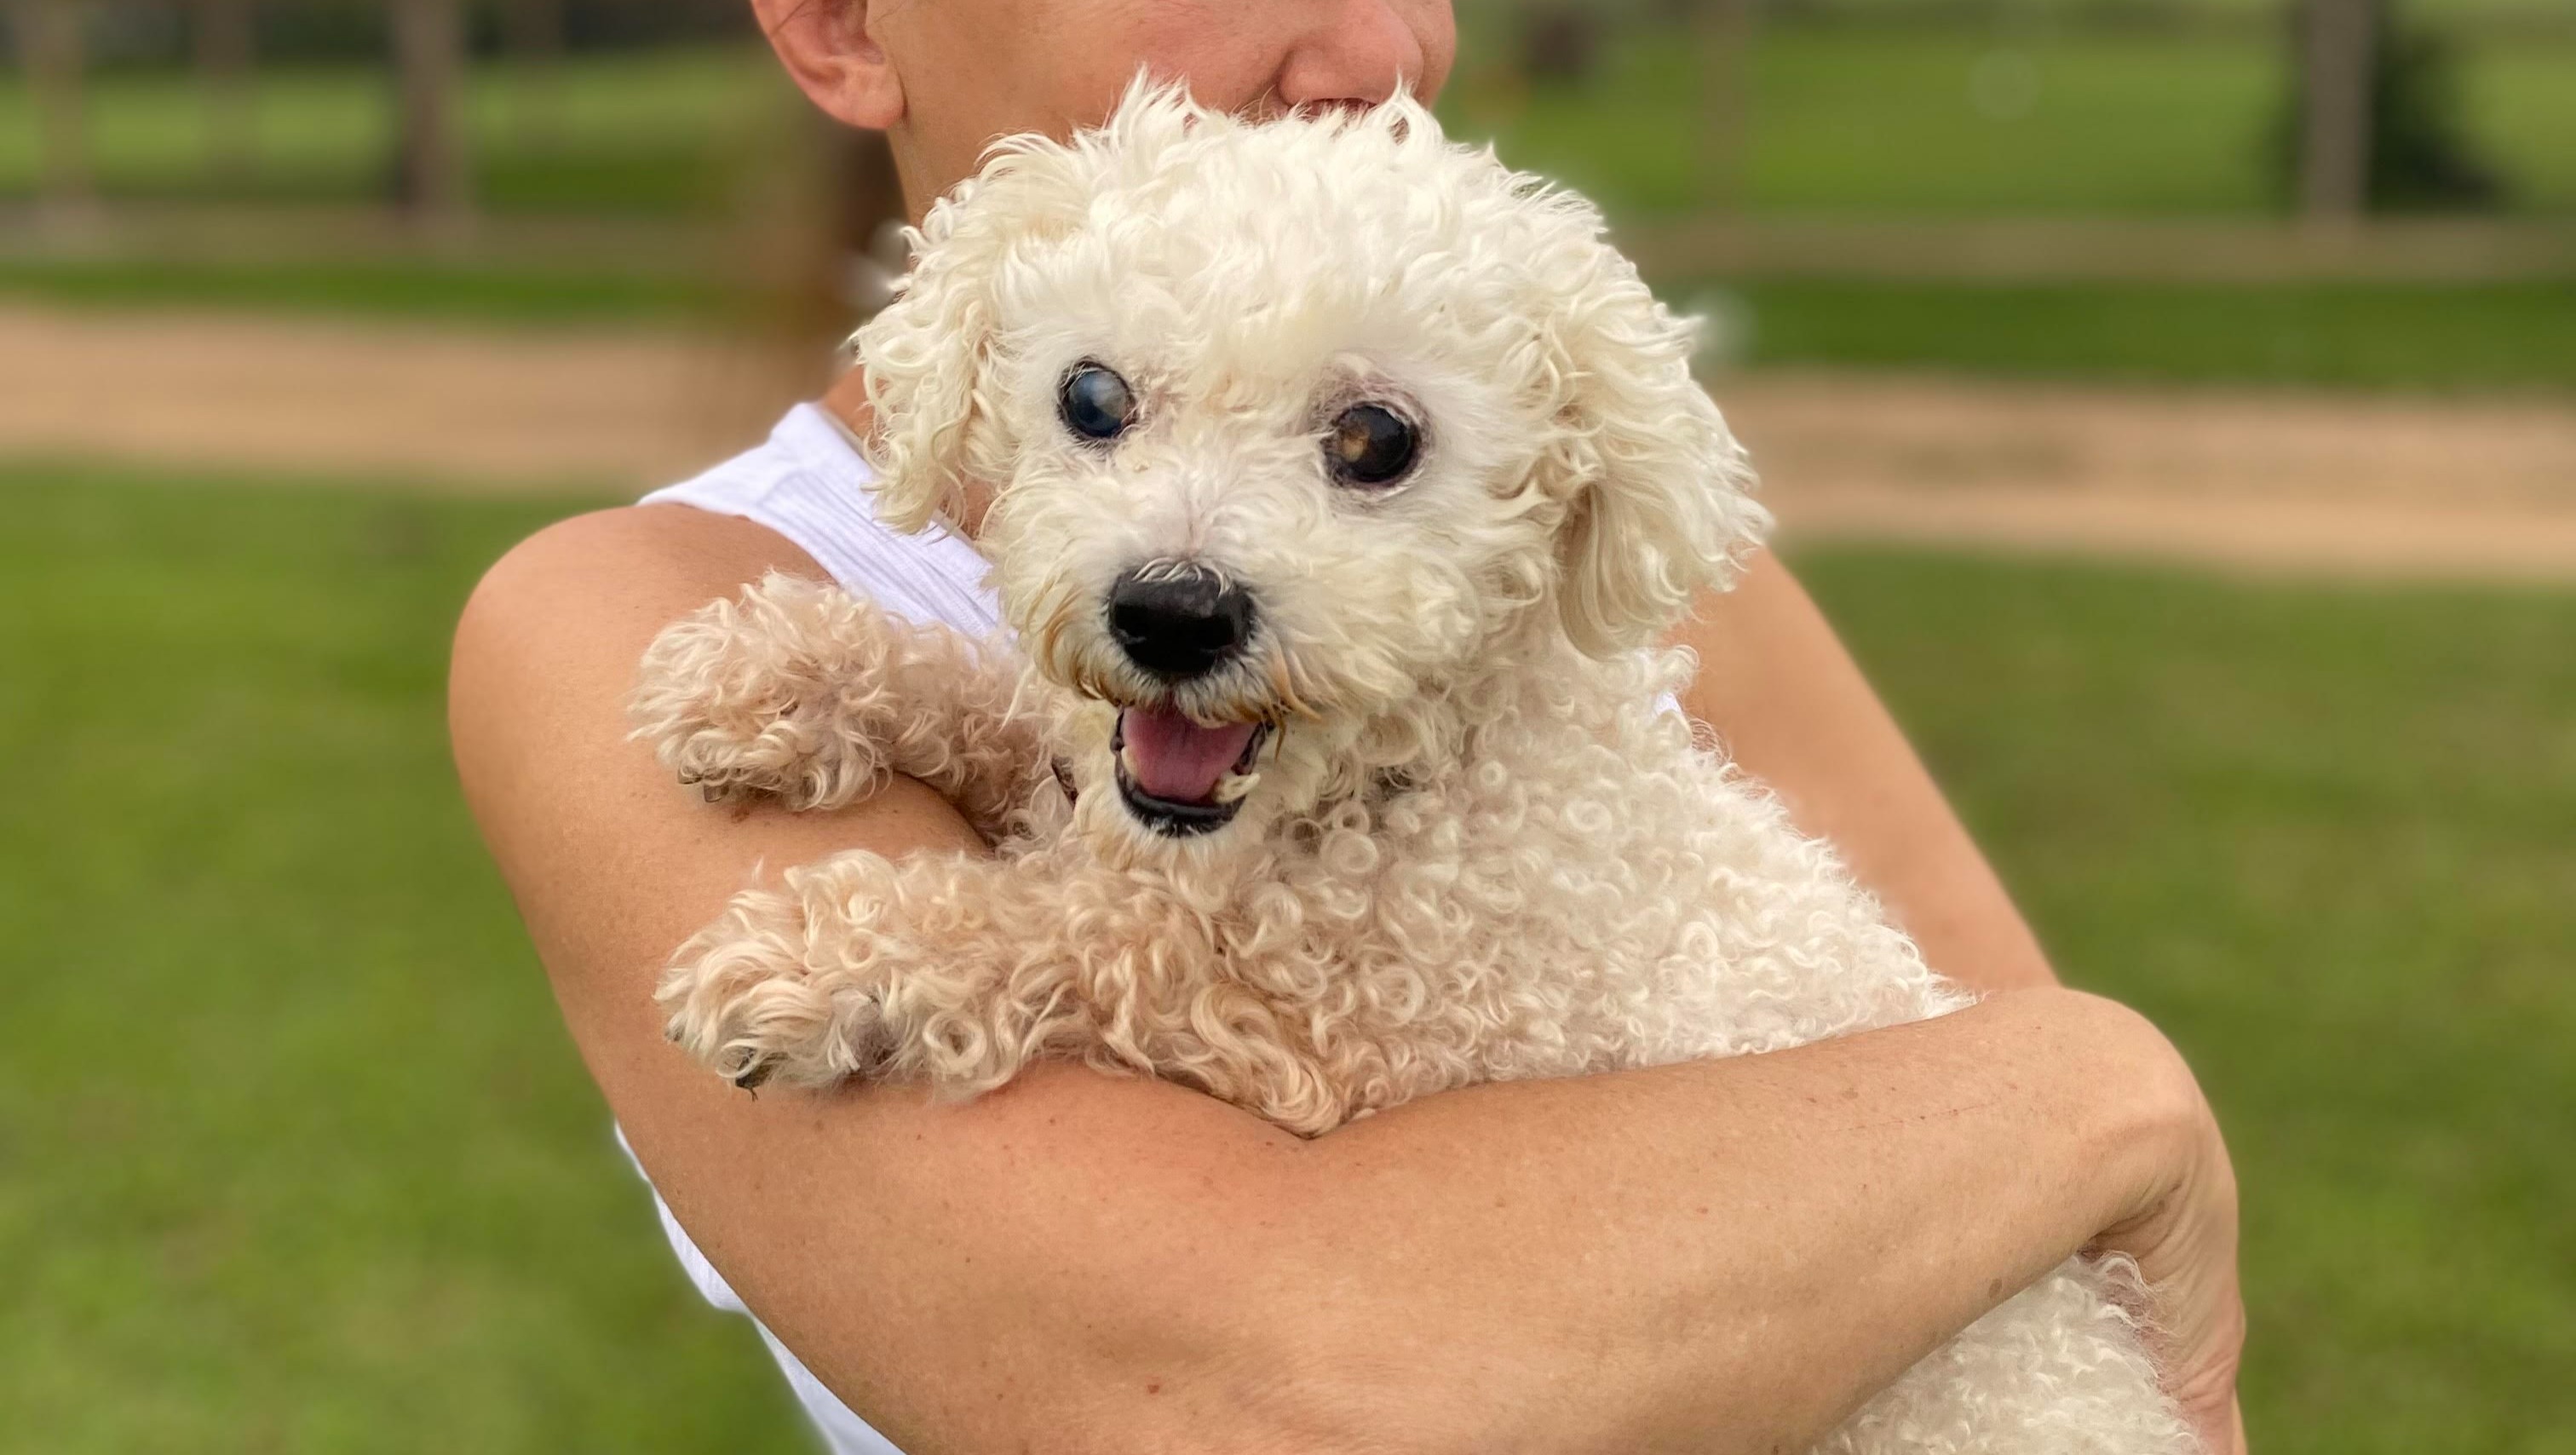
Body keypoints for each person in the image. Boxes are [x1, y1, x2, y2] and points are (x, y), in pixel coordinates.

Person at [447, 3, 2248, 1452]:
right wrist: (2100, 1093)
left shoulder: (1576, 557)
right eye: (1102, 405)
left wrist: (961, 932)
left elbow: (2122, 1292)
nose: (1378, 47)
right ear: (844, 24)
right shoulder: (624, 615)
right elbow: (1263, 1396)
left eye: (1369, 446)